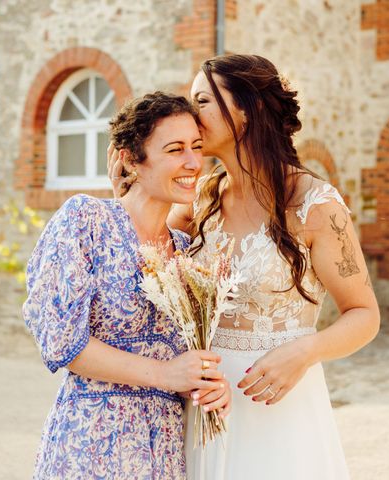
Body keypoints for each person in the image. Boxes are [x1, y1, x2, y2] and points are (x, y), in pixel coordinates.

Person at [110, 54, 380, 479]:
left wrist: (305, 351)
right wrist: (131, 189)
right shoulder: (200, 198)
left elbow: (365, 315)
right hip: (206, 403)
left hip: (280, 404)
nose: (190, 114)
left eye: (202, 101)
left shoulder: (315, 205)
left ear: (248, 110)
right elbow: (142, 261)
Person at [23, 92, 232, 480]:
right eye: (174, 149)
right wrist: (167, 374)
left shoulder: (188, 252)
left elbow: (188, 357)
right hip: (92, 439)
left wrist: (204, 385)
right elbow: (62, 341)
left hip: (165, 446)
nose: (192, 162)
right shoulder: (85, 221)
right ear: (131, 159)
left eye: (196, 147)